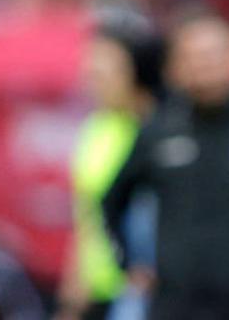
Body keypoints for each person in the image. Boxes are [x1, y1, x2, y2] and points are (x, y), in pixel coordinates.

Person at [103, 7, 229, 320]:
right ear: (175, 66)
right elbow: (111, 200)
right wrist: (127, 264)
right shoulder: (158, 131)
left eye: (214, 54)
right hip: (174, 303)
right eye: (193, 55)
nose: (205, 65)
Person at [57, 18, 162, 320]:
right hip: (97, 291)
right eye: (90, 71)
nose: (93, 79)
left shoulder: (159, 131)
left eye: (104, 71)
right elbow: (86, 214)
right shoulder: (95, 127)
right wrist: (72, 292)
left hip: (141, 292)